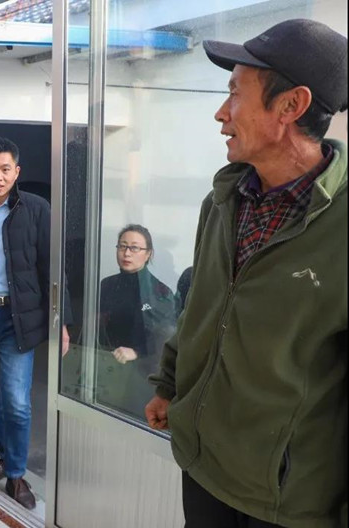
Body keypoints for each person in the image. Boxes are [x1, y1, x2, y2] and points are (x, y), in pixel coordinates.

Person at [145, 19, 348, 527]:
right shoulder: (224, 200)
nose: (221, 112)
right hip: (203, 466)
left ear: (291, 106)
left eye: (235, 93)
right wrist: (169, 384)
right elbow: (199, 309)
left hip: (287, 500)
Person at [0, 138, 70, 510]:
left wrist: (61, 320)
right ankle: (7, 455)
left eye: (5, 169)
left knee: (16, 402)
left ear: (17, 172)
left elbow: (52, 267)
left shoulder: (36, 209)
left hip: (16, 319)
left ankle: (15, 474)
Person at [97, 224, 175, 418]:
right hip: (107, 367)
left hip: (141, 374)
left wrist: (137, 351)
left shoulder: (160, 291)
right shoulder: (106, 285)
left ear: (148, 254)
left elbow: (165, 338)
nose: (127, 253)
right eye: (122, 246)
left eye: (134, 248)